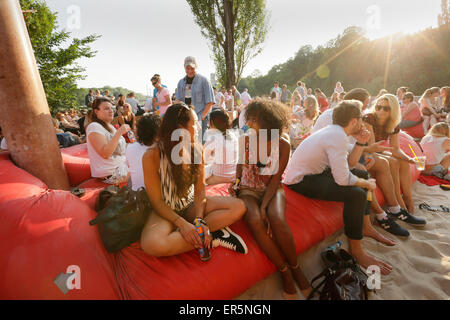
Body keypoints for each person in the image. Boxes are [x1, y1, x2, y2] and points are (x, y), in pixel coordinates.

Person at [284, 100, 394, 275]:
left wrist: (362, 144)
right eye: (361, 118)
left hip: (312, 174)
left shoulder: (335, 132)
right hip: (300, 180)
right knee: (357, 194)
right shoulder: (337, 136)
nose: (363, 122)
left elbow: (350, 159)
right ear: (353, 121)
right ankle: (357, 251)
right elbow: (343, 179)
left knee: (363, 175)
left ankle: (365, 226)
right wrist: (364, 184)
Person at [140, 103, 248, 257]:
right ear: (180, 128)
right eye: (194, 123)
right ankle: (210, 235)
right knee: (152, 245)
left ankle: (202, 232)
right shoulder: (152, 155)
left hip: (191, 205)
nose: (198, 127)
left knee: (239, 207)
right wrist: (182, 224)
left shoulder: (197, 149)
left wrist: (199, 220)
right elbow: (156, 201)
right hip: (166, 211)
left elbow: (199, 191)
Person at [231, 98, 312, 299]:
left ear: (267, 121)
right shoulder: (246, 140)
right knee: (255, 219)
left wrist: (265, 206)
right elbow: (240, 167)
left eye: (253, 119)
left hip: (272, 189)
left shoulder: (283, 144)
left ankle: (296, 268)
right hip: (248, 189)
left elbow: (276, 180)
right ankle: (284, 270)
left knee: (277, 219)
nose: (248, 123)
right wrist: (236, 184)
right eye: (248, 118)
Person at [311, 88, 410, 238]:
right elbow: (339, 149)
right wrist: (364, 155)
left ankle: (394, 207)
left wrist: (367, 151)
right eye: (364, 106)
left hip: (339, 152)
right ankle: (379, 215)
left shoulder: (346, 116)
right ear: (354, 104)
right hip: (326, 158)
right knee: (363, 170)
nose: (365, 110)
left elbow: (352, 146)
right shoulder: (336, 118)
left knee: (382, 163)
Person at [363, 94, 426, 220]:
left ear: (393, 110)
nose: (381, 110)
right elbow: (372, 147)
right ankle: (398, 201)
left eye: (386, 109)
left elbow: (395, 149)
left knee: (403, 162)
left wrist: (409, 159)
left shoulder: (393, 124)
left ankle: (408, 198)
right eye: (379, 107)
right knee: (392, 161)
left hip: (376, 151)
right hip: (365, 150)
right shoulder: (369, 118)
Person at [86, 97, 129, 184]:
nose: (111, 111)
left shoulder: (110, 126)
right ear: (96, 111)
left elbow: (120, 149)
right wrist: (119, 132)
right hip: (113, 174)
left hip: (122, 166)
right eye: (106, 108)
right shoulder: (94, 126)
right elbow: (105, 153)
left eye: (111, 108)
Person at [175, 56, 215, 142]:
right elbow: (177, 101)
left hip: (200, 119)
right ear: (184, 67)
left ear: (196, 67)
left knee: (200, 144)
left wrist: (201, 118)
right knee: (187, 145)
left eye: (192, 68)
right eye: (187, 68)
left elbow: (210, 102)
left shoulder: (204, 81)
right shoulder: (181, 82)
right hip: (186, 120)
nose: (190, 70)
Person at [126, 114, 162, 191]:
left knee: (130, 177)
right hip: (157, 195)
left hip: (136, 193)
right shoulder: (160, 149)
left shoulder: (130, 147)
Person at [204, 109, 238, 185]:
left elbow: (203, 158)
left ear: (211, 123)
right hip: (233, 175)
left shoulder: (213, 138)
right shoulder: (233, 135)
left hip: (219, 177)